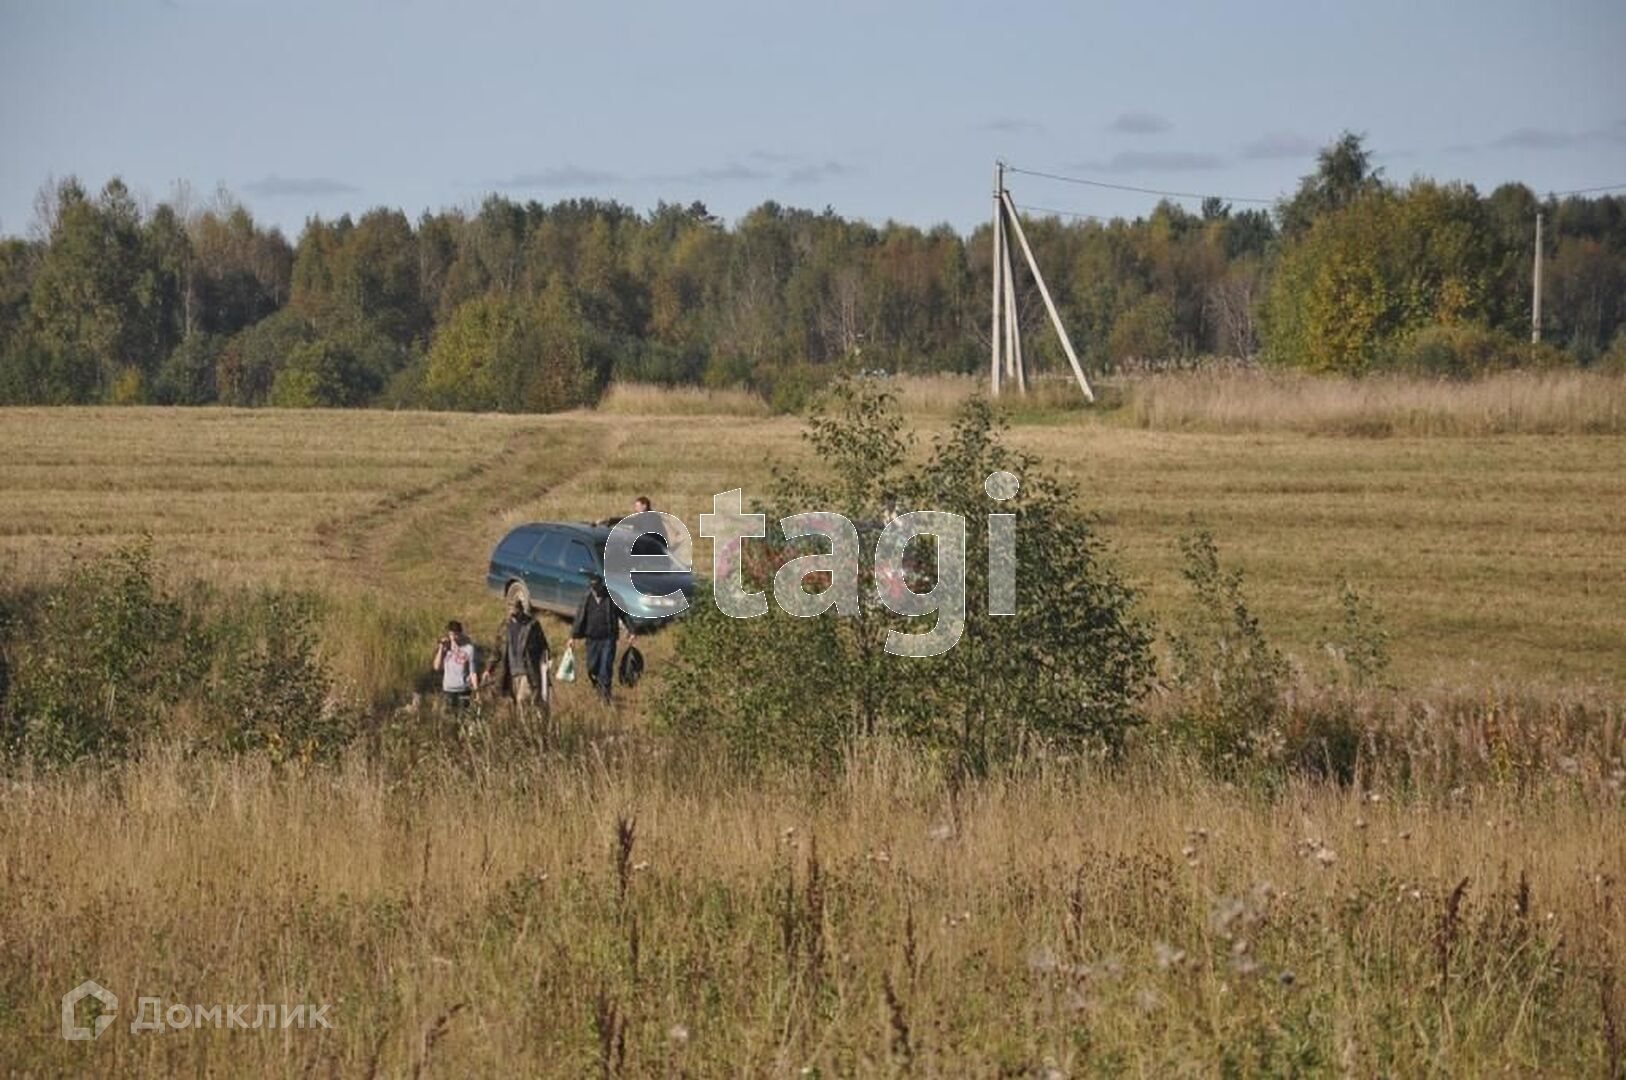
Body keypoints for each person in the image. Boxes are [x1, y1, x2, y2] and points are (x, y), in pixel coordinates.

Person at [487, 596, 550, 725]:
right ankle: (534, 724)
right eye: (510, 609)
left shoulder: (532, 625)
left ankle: (526, 728)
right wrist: (489, 669)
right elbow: (497, 651)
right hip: (510, 671)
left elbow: (544, 646)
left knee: (523, 699)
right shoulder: (504, 627)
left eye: (515, 609)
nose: (512, 612)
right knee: (516, 701)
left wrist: (545, 663)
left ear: (521, 609)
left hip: (528, 670)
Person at [571, 574, 633, 704]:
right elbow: (579, 617)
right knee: (591, 667)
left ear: (601, 585)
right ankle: (598, 686)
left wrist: (631, 631)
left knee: (605, 667)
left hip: (608, 639)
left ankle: (605, 696)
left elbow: (624, 614)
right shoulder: (587, 598)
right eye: (593, 587)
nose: (595, 590)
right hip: (592, 639)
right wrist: (573, 637)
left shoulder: (611, 598)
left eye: (597, 587)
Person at [432, 620, 478, 710]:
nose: (454, 637)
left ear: (461, 634)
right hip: (448, 689)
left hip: (463, 689)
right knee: (449, 717)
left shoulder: (469, 649)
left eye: (456, 634)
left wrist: (476, 691)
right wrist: (441, 649)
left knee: (463, 717)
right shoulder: (445, 649)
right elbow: (437, 667)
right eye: (452, 634)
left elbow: (473, 672)